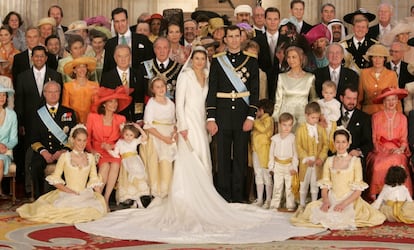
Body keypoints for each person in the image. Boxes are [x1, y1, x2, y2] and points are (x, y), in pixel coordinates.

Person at [74, 45, 324, 245]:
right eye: (197, 59)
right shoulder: (184, 79)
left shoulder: (206, 76)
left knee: (205, 160)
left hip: (202, 124)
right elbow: (180, 103)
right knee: (191, 160)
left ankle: (207, 194)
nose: (200, 63)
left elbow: (209, 102)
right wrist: (181, 126)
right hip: (187, 126)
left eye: (203, 60)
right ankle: (186, 199)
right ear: (191, 60)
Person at [291, 129, 386, 229]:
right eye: (338, 142)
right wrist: (326, 201)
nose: (340, 145)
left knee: (346, 216)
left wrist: (343, 204)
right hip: (332, 197)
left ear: (348, 143)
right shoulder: (329, 160)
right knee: (311, 211)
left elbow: (358, 191)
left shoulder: (355, 161)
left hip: (349, 199)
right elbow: (325, 186)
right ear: (334, 143)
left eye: (343, 142)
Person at [206, 25, 259, 203]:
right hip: (222, 115)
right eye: (231, 36)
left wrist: (251, 116)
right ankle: (223, 195)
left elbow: (255, 91)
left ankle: (238, 195)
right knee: (222, 156)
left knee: (240, 156)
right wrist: (211, 118)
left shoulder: (251, 61)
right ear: (225, 40)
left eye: (237, 36)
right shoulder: (217, 60)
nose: (234, 40)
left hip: (242, 116)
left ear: (241, 38)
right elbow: (212, 90)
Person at [17, 124, 107, 223]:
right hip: (67, 193)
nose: (82, 144)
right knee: (51, 212)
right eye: (79, 140)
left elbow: (94, 181)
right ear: (73, 140)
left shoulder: (90, 157)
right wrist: (68, 191)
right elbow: (55, 179)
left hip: (85, 194)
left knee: (93, 211)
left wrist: (100, 200)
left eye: (84, 140)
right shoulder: (65, 157)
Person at [86, 86, 131, 209]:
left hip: (113, 151)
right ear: (104, 104)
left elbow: (123, 139)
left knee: (116, 164)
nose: (114, 104)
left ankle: (106, 198)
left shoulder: (121, 119)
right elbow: (87, 138)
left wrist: (111, 146)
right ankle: (98, 198)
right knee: (105, 166)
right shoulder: (92, 117)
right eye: (111, 101)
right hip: (97, 151)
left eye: (116, 101)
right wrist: (92, 151)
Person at [30, 81, 77, 198]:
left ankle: (67, 197)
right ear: (44, 93)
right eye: (50, 92)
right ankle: (39, 198)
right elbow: (33, 139)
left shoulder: (69, 113)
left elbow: (73, 137)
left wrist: (63, 151)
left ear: (60, 93)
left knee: (70, 164)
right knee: (35, 166)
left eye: (56, 91)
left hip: (63, 152)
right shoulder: (37, 113)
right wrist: (44, 152)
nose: (53, 94)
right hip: (43, 152)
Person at [366, 88, 412, 201]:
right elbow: (374, 138)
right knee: (377, 165)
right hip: (380, 150)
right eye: (388, 100)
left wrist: (400, 149)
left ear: (397, 101)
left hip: (398, 149)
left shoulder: (403, 118)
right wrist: (382, 150)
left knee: (398, 161)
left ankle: (401, 195)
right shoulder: (376, 117)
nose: (391, 103)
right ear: (383, 101)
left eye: (394, 99)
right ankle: (376, 193)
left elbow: (404, 139)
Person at [140, 77, 177, 207]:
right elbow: (148, 125)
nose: (161, 89)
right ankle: (156, 192)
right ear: (152, 90)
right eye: (157, 87)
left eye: (162, 86)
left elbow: (173, 121)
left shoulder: (171, 103)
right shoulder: (152, 103)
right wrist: (163, 138)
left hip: (168, 134)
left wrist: (172, 134)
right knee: (155, 163)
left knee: (167, 162)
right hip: (156, 135)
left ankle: (167, 191)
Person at [272, 46, 317, 128]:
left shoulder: (310, 78)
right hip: (285, 118)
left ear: (301, 58)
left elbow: (314, 99)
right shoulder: (281, 77)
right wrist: (275, 119)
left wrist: (315, 116)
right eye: (288, 57)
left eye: (294, 57)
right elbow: (278, 100)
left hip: (303, 117)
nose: (291, 60)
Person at [107, 123, 150, 208]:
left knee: (137, 181)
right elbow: (115, 154)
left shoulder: (135, 141)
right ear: (123, 134)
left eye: (131, 135)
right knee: (130, 183)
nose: (129, 137)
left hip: (135, 163)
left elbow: (145, 137)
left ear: (134, 135)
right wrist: (108, 150)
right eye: (126, 134)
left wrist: (138, 128)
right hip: (126, 164)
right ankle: (136, 202)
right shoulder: (120, 142)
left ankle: (138, 203)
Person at [295, 102, 329, 207]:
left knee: (315, 184)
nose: (315, 120)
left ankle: (314, 204)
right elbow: (298, 146)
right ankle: (301, 204)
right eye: (312, 117)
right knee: (303, 184)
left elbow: (325, 144)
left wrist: (321, 158)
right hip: (306, 163)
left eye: (317, 118)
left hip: (317, 163)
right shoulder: (300, 129)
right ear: (306, 115)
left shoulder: (321, 129)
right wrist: (306, 158)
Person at [101, 45, 144, 122]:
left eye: (126, 56)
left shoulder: (138, 74)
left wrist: (139, 117)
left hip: (134, 120)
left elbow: (140, 98)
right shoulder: (107, 77)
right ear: (115, 58)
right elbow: (105, 101)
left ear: (130, 57)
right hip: (115, 119)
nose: (123, 59)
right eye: (120, 56)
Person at [103, 8, 154, 73]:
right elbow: (107, 68)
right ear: (113, 23)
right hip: (117, 82)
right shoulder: (110, 44)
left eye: (123, 21)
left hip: (139, 81)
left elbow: (150, 63)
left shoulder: (142, 40)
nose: (120, 25)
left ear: (127, 21)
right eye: (117, 21)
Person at [254, 7, 289, 100]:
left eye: (275, 19)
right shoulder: (257, 40)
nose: (272, 22)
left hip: (282, 83)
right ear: (265, 20)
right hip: (262, 84)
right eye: (269, 19)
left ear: (279, 21)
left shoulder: (287, 41)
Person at [337, 85, 373, 175]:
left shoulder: (364, 118)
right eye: (349, 98)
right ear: (341, 98)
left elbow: (368, 143)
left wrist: (359, 152)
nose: (352, 102)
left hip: (354, 158)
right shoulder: (332, 114)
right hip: (334, 156)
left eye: (354, 99)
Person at [358, 44, 400, 115]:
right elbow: (359, 97)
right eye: (375, 57)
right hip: (367, 113)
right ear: (371, 58)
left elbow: (396, 98)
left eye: (380, 57)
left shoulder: (392, 74)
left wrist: (399, 116)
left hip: (386, 113)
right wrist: (357, 114)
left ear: (384, 59)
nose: (377, 60)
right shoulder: (364, 73)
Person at [268, 112, 298, 211]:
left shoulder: (293, 138)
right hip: (278, 165)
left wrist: (294, 167)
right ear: (280, 124)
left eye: (289, 125)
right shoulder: (275, 139)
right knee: (277, 186)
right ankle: (275, 205)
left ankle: (290, 205)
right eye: (284, 125)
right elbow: (271, 154)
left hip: (289, 165)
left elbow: (295, 154)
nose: (287, 128)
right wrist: (271, 166)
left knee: (289, 187)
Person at [137, 37, 182, 101]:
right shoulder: (143, 67)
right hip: (150, 108)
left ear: (169, 49)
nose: (162, 51)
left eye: (165, 48)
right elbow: (139, 93)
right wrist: (139, 110)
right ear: (154, 50)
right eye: (159, 48)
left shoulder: (179, 68)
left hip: (171, 108)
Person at [250, 99, 274, 209]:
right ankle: (259, 199)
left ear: (262, 110)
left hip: (265, 150)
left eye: (257, 111)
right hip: (256, 150)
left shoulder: (268, 119)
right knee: (258, 174)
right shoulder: (259, 120)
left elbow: (263, 129)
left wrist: (253, 121)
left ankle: (268, 199)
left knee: (266, 174)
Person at [62, 56, 99, 124]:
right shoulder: (67, 86)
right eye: (79, 67)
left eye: (84, 67)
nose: (82, 69)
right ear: (74, 70)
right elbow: (65, 107)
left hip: (91, 121)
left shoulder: (95, 85)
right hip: (73, 122)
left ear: (87, 69)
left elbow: (96, 106)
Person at [341, 9, 377, 74]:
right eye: (358, 27)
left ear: (367, 30)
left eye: (363, 27)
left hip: (367, 79)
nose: (360, 30)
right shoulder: (343, 45)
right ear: (353, 28)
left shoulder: (374, 45)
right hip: (349, 80)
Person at [0, 84, 17, 197]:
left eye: (4, 95)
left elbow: (14, 139)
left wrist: (4, 146)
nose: (1, 97)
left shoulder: (12, 115)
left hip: (4, 152)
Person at [317, 81, 341, 145]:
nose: (328, 95)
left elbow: (337, 115)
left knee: (328, 136)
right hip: (320, 121)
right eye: (326, 93)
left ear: (335, 94)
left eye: (331, 93)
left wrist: (327, 117)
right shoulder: (320, 102)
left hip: (330, 123)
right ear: (322, 93)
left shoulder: (335, 104)